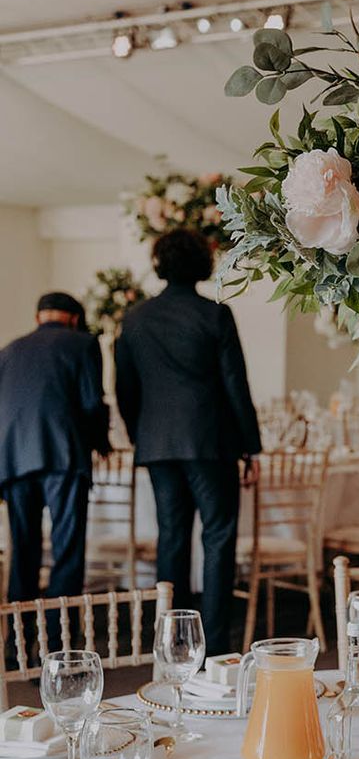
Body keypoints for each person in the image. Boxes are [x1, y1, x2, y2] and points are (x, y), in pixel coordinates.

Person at [115, 230, 261, 656]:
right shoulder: (215, 314)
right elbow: (236, 384)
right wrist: (250, 445)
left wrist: (140, 431)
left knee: (171, 538)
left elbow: (125, 387)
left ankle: (173, 643)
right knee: (218, 537)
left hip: (158, 445)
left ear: (160, 265)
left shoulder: (135, 318)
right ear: (202, 263)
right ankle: (213, 648)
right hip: (211, 444)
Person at [0, 292, 110, 606]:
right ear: (74, 319)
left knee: (23, 553)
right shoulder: (84, 344)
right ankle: (60, 646)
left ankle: (16, 648)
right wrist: (101, 443)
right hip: (64, 457)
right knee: (67, 553)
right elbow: (91, 403)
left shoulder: (7, 351)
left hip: (13, 464)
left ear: (39, 317)